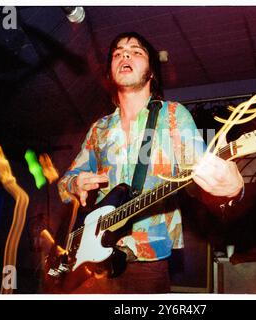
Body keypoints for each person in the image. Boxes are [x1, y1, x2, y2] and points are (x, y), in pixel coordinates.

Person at [56, 32, 244, 293]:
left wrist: (230, 189)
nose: (125, 54)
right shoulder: (99, 129)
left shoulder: (173, 118)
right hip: (90, 259)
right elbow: (63, 184)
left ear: (152, 72)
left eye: (136, 51)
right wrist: (75, 183)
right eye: (118, 53)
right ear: (110, 74)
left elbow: (198, 182)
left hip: (144, 261)